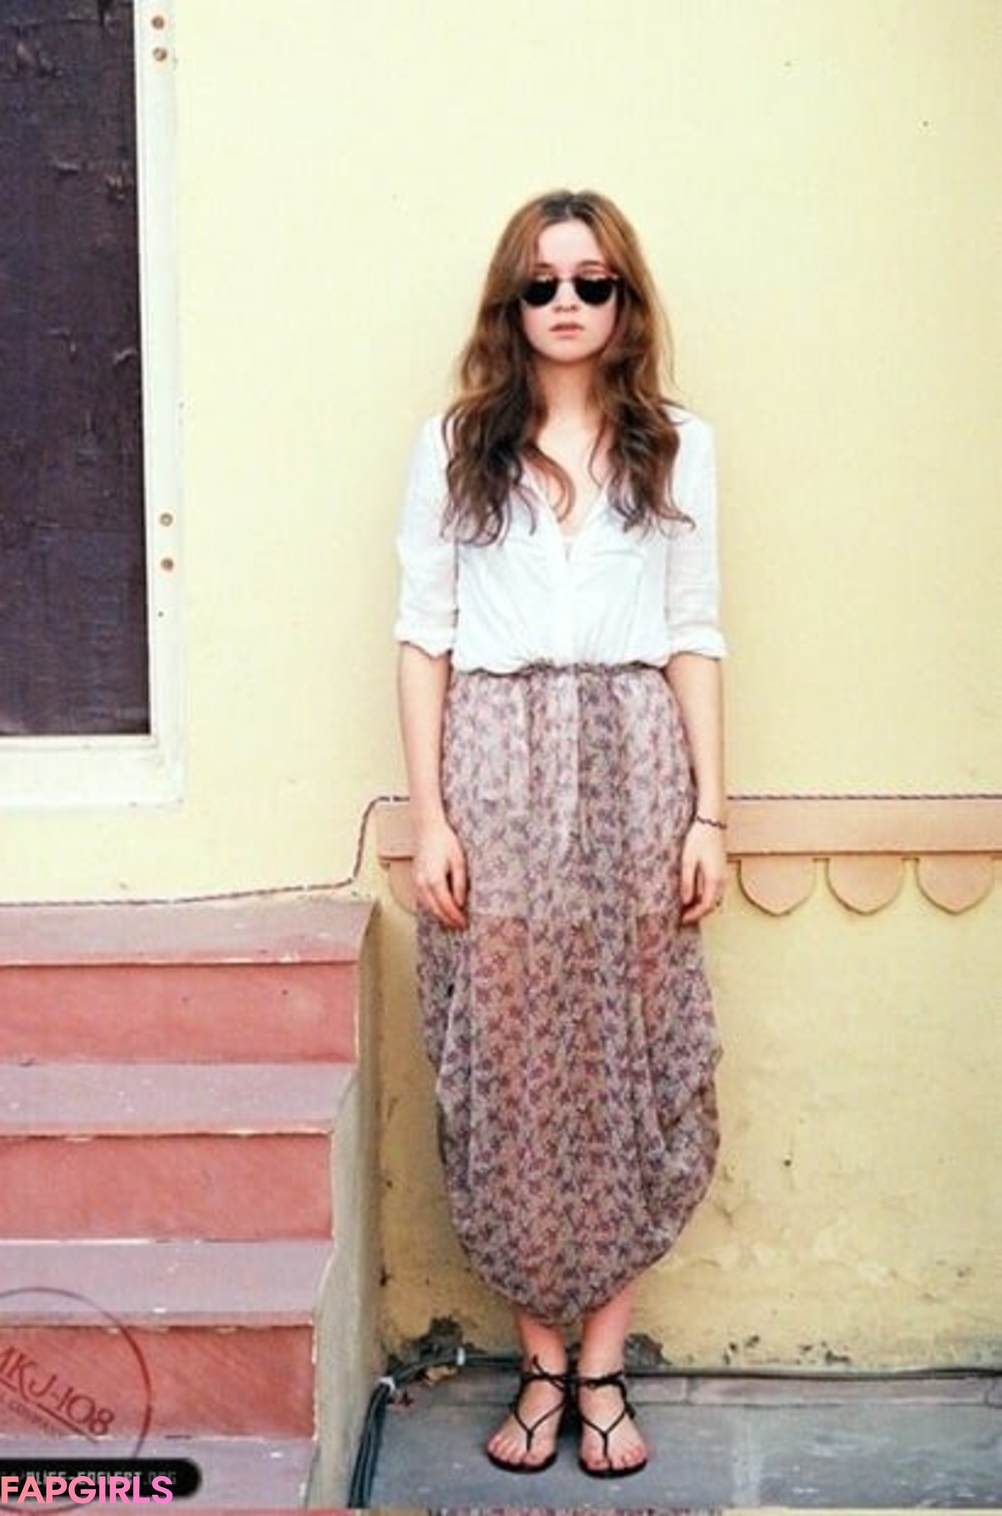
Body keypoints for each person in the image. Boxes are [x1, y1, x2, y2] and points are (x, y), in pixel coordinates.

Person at [393, 189, 725, 1480]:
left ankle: (604, 1370)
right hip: (495, 757)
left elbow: (693, 634)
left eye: (594, 282)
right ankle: (541, 1368)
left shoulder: (678, 448)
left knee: (631, 1051)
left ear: (625, 301)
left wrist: (709, 813)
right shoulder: (456, 447)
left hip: (635, 760)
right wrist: (431, 815)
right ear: (512, 303)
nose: (568, 303)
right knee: (514, 1053)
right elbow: (424, 638)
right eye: (544, 284)